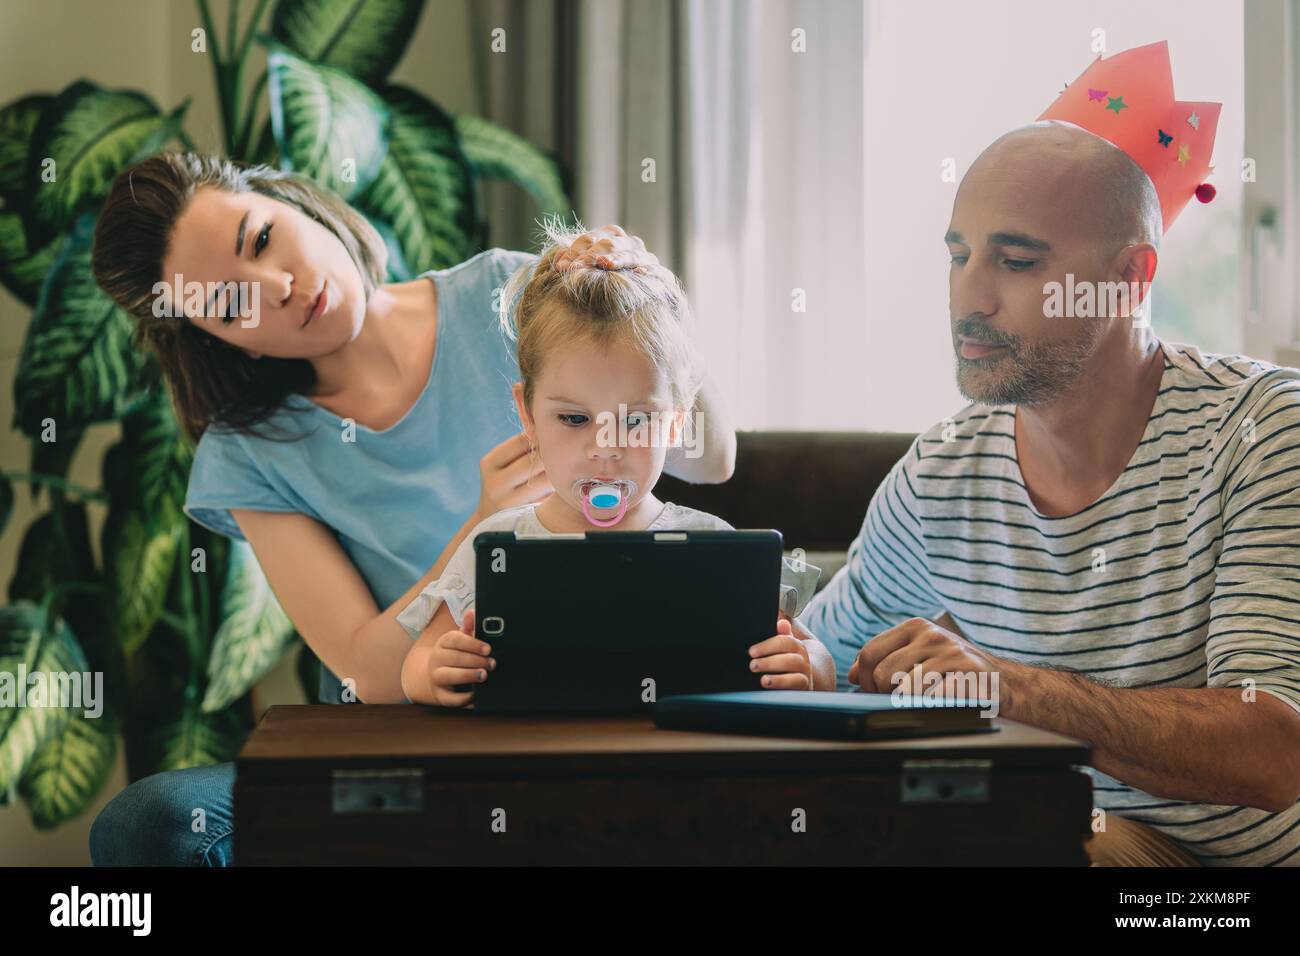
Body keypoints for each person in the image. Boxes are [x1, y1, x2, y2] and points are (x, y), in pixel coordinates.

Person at [87, 151, 736, 865]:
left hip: (588, 708)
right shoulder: (246, 452)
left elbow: (712, 459)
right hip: (418, 740)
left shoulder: (500, 293)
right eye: (229, 303)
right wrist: (480, 526)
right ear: (212, 337)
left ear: (292, 203)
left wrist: (651, 295)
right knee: (149, 824)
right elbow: (368, 676)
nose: (277, 288)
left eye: (262, 239)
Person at [798, 43, 1300, 866]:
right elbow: (824, 656)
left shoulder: (1262, 432)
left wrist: (1004, 685)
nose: (970, 297)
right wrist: (798, 662)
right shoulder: (941, 476)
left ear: (1131, 278)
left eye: (1017, 261)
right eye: (958, 255)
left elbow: (1278, 749)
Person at [395, 222, 835, 705]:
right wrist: (438, 670)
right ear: (528, 415)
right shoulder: (497, 548)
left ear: (675, 423)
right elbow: (417, 664)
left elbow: (814, 658)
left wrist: (806, 668)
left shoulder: (715, 547)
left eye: (636, 421)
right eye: (574, 418)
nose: (604, 447)